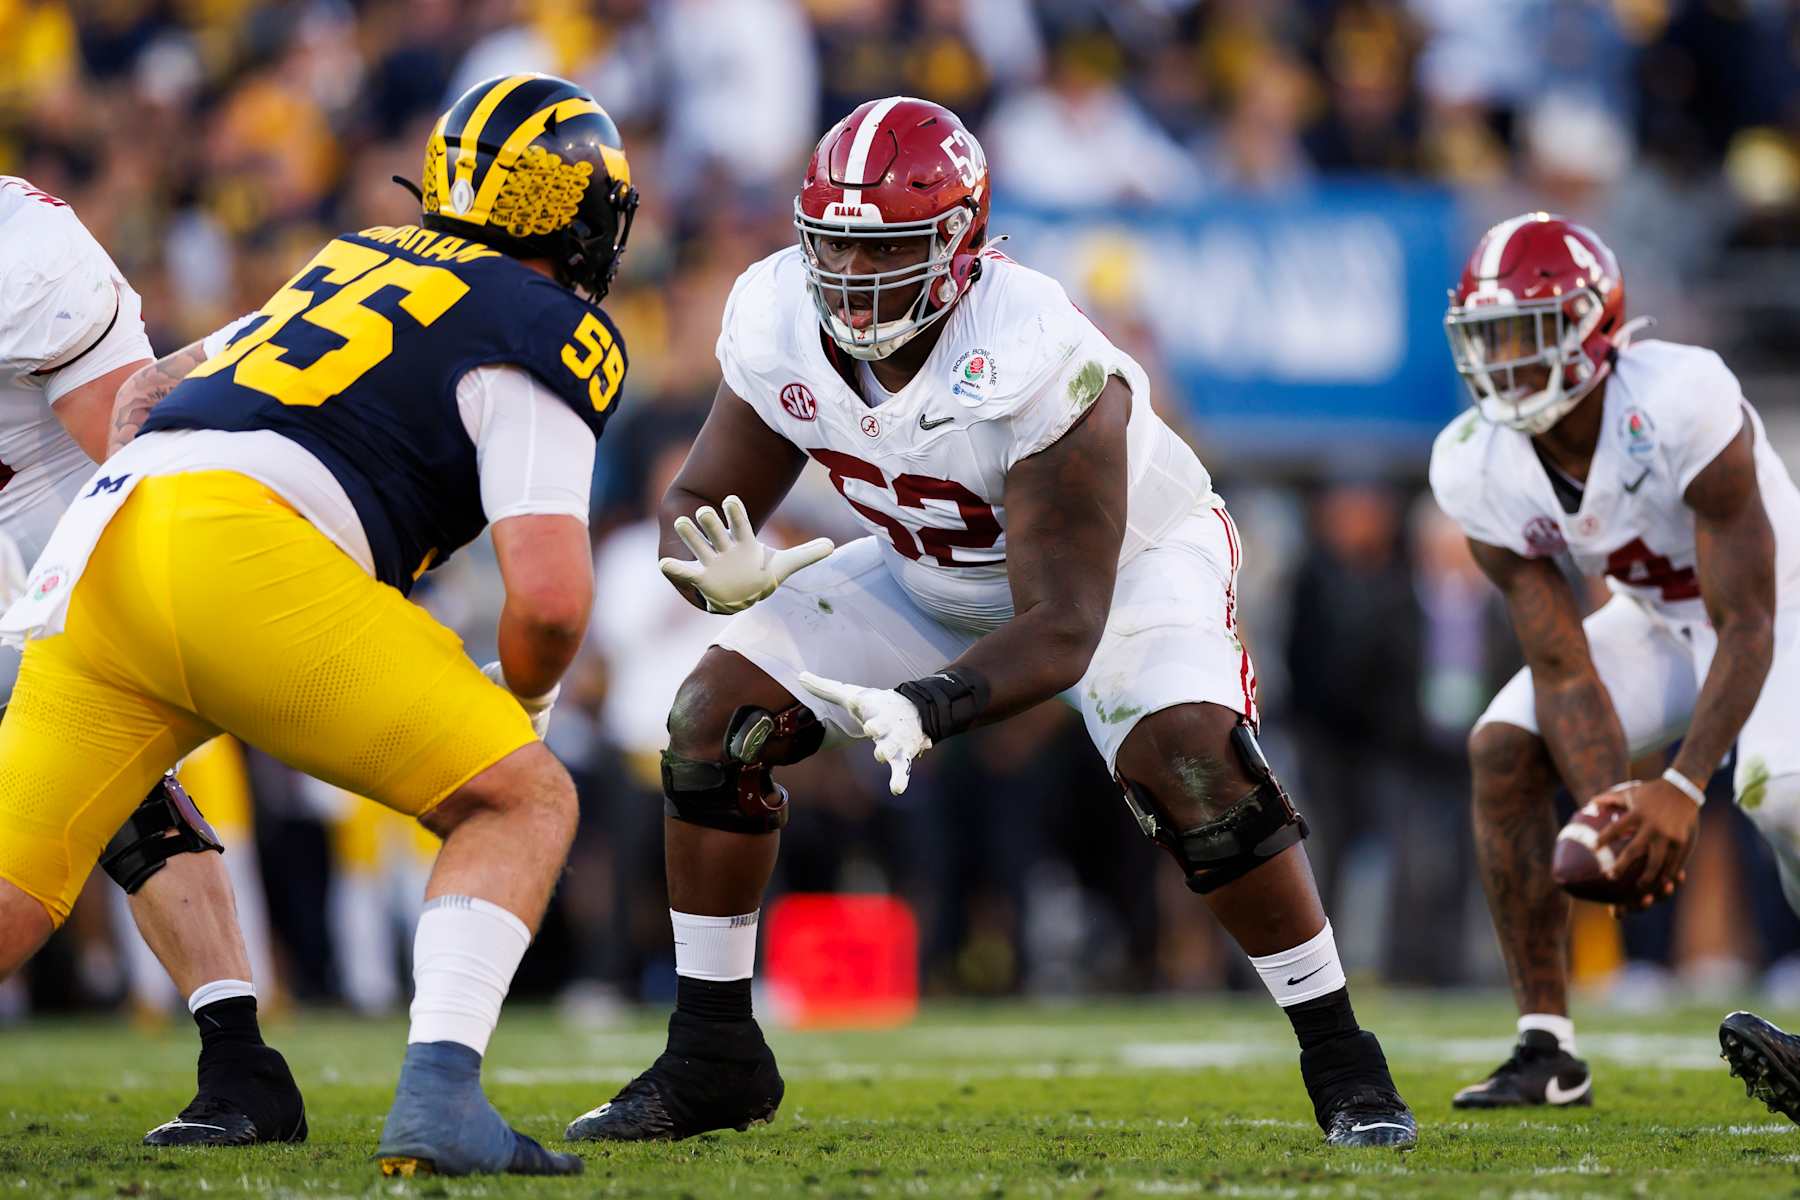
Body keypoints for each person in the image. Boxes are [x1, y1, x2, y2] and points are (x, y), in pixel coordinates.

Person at [564, 96, 1417, 1150]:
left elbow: (1062, 625)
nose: (853, 276)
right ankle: (711, 1056)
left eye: (889, 249)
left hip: (1126, 570)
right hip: (928, 569)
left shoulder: (1039, 349)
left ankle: (1342, 1056)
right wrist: (713, 573)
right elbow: (696, 502)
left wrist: (930, 704)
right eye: (835, 245)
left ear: (960, 243)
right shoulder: (775, 312)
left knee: (1189, 756)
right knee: (712, 720)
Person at [0, 72, 639, 1178]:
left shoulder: (361, 254)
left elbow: (154, 388)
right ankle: (442, 1101)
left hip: (104, 545)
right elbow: (549, 600)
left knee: (16, 891)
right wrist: (522, 713)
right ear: (587, 219)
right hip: (243, 554)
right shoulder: (548, 325)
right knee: (525, 797)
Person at [1429, 213, 1800, 1109]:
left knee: (1779, 793)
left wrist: (1679, 786)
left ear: (1591, 326)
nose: (1505, 360)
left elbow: (1748, 619)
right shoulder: (1474, 463)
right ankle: (1546, 1049)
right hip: (1659, 619)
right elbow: (1562, 667)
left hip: (1781, 608)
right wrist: (1613, 814)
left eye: (1525, 332)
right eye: (1489, 337)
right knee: (1502, 747)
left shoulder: (1680, 397)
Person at [0, 174, 304, 1146]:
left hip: (65, 549)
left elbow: (134, 452)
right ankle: (243, 1060)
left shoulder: (24, 251)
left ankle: (241, 1056)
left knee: (106, 804)